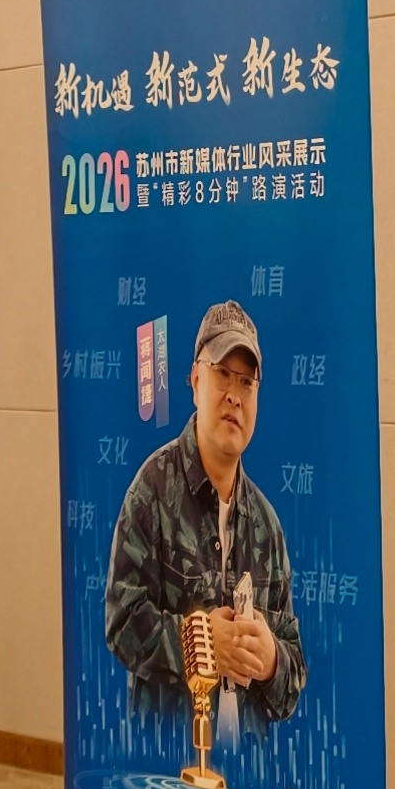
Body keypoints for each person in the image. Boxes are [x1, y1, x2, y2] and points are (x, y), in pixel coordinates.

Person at [102, 299, 304, 728]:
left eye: (246, 382)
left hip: (246, 762)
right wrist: (201, 643)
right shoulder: (152, 491)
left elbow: (293, 675)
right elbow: (121, 623)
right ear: (195, 380)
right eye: (222, 374)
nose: (234, 395)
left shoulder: (266, 525)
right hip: (168, 756)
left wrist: (272, 660)